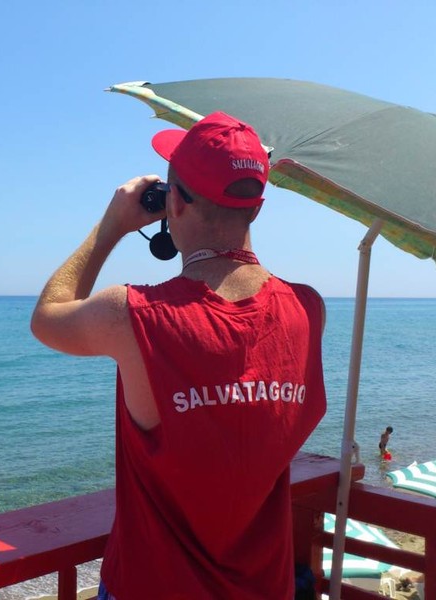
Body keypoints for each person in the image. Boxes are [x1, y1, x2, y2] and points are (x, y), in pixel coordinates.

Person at [31, 112, 327, 599]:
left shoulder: (133, 315)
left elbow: (47, 317)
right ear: (256, 209)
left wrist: (111, 226)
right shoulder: (308, 309)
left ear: (174, 202)